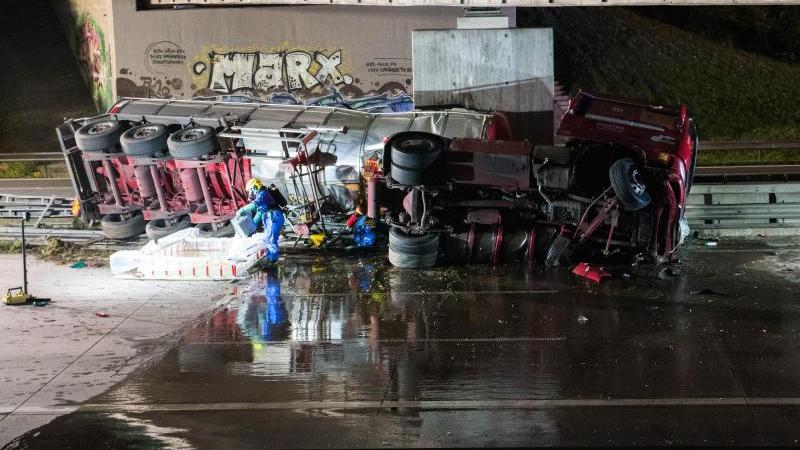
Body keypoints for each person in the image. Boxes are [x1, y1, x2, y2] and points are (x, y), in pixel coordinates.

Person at [237, 178, 285, 264]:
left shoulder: (263, 194)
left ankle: (273, 261)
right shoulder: (263, 194)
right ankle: (270, 258)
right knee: (268, 240)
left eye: (251, 191)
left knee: (272, 239)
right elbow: (259, 213)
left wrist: (242, 210)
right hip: (270, 217)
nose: (250, 194)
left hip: (273, 216)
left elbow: (254, 205)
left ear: (255, 187)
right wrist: (252, 226)